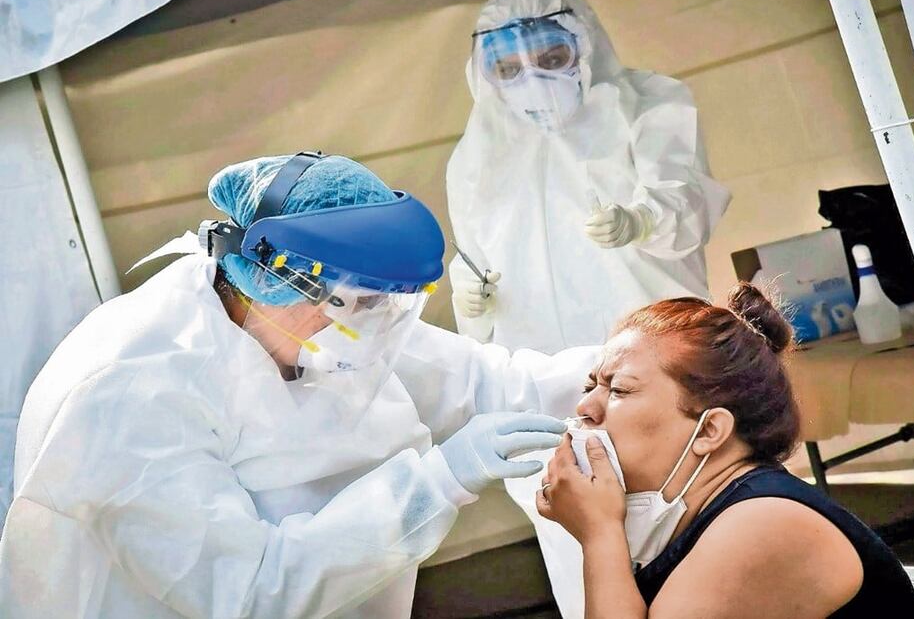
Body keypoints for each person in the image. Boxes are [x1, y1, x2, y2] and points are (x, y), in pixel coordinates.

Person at [0, 153, 596, 618]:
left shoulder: (318, 315)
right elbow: (248, 592)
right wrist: (437, 482)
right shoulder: (131, 392)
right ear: (275, 278)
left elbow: (489, 383)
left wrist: (630, 362)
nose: (374, 324)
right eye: (361, 303)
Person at [536, 288, 914, 618]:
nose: (585, 408)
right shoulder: (699, 517)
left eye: (618, 389)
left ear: (709, 430)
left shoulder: (763, 522)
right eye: (591, 386)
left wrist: (600, 534)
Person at [447, 0, 731, 353]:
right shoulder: (476, 156)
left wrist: (643, 220)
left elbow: (687, 205)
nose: (532, 81)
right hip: (538, 367)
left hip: (653, 350)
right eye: (508, 69)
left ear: (584, 43)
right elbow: (474, 257)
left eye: (551, 59)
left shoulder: (646, 107)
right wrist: (468, 299)